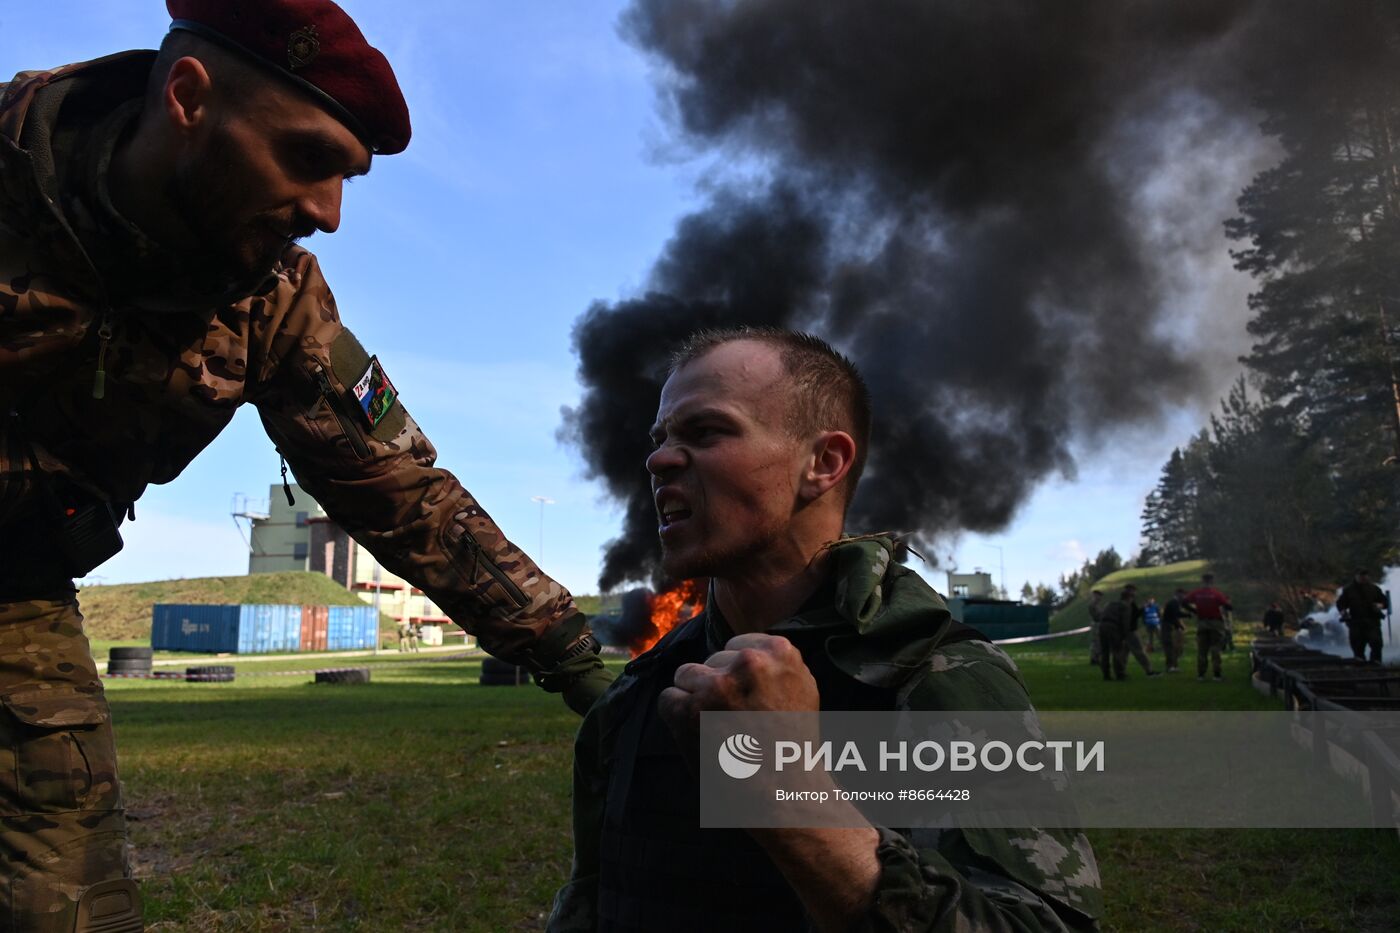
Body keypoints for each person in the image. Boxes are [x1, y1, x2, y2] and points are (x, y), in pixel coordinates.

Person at [0, 2, 610, 927]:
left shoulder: (273, 301)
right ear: (189, 96)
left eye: (348, 179)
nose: (328, 214)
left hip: (15, 583)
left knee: (69, 889)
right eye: (307, 158)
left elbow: (408, 494)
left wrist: (581, 666)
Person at [549, 327, 1101, 932]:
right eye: (660, 440)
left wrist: (793, 798)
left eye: (706, 432)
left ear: (825, 463)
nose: (657, 460)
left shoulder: (937, 677)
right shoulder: (639, 697)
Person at [1099, 584, 1159, 681]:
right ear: (1129, 598)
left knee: (1105, 652)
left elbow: (1102, 615)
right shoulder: (1126, 606)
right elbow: (1125, 622)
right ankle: (1120, 674)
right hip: (1115, 628)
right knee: (1117, 651)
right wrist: (1123, 636)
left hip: (1102, 627)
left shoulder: (1111, 603)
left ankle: (1106, 675)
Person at [1186, 573, 1233, 681]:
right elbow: (1228, 606)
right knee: (1216, 648)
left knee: (1202, 649)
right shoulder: (1216, 593)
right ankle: (1216, 674)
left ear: (1202, 581)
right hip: (1215, 623)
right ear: (1212, 581)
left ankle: (1201, 675)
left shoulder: (1196, 593)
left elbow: (1184, 602)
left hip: (1202, 622)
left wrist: (1194, 611)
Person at [1336, 570, 1388, 664]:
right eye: (1361, 575)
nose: (1363, 578)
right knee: (1357, 644)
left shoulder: (1374, 588)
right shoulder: (1349, 590)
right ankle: (1360, 662)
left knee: (1376, 642)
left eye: (1365, 575)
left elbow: (1385, 602)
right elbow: (1340, 603)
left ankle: (1376, 662)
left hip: (1372, 620)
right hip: (1356, 621)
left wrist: (1380, 605)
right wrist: (1343, 612)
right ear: (1356, 576)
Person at [1161, 587, 1192, 673]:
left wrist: (1188, 614)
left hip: (1170, 626)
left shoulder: (1176, 603)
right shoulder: (1173, 603)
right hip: (1167, 627)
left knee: (1174, 647)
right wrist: (1186, 617)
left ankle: (1174, 666)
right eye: (1183, 594)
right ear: (1178, 594)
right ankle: (1170, 667)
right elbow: (1176, 615)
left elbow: (1179, 612)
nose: (1184, 596)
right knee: (1170, 647)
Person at [1087, 588, 1104, 666]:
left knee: (1098, 643)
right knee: (1097, 642)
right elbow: (1096, 616)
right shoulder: (1092, 605)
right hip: (1096, 625)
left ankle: (1096, 658)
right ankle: (1094, 659)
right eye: (1099, 596)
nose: (1100, 598)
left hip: (1098, 624)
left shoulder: (1096, 605)